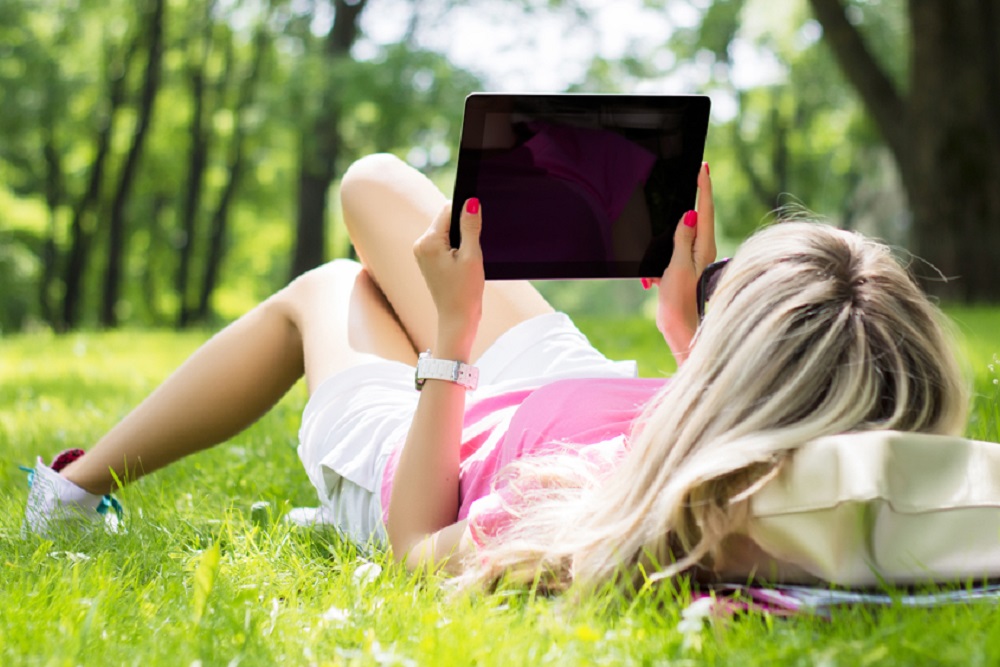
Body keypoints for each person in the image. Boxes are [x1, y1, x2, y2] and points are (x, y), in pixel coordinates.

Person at [21, 153, 968, 594]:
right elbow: (730, 424)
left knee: (326, 288)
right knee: (375, 185)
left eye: (730, 300)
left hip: (442, 441)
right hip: (580, 387)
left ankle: (69, 489)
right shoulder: (772, 440)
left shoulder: (595, 507)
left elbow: (416, 541)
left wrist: (452, 333)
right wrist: (687, 335)